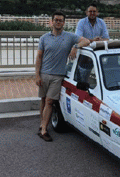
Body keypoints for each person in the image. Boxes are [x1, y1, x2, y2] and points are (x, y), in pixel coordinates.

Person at [35, 12, 87, 142]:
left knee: (49, 101)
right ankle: (42, 123)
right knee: (43, 99)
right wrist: (37, 75)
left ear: (64, 23)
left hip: (58, 76)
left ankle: (43, 130)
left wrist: (76, 46)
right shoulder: (44, 38)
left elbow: (86, 41)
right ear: (52, 22)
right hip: (44, 73)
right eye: (56, 20)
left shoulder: (70, 37)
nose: (58, 22)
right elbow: (39, 57)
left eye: (61, 20)